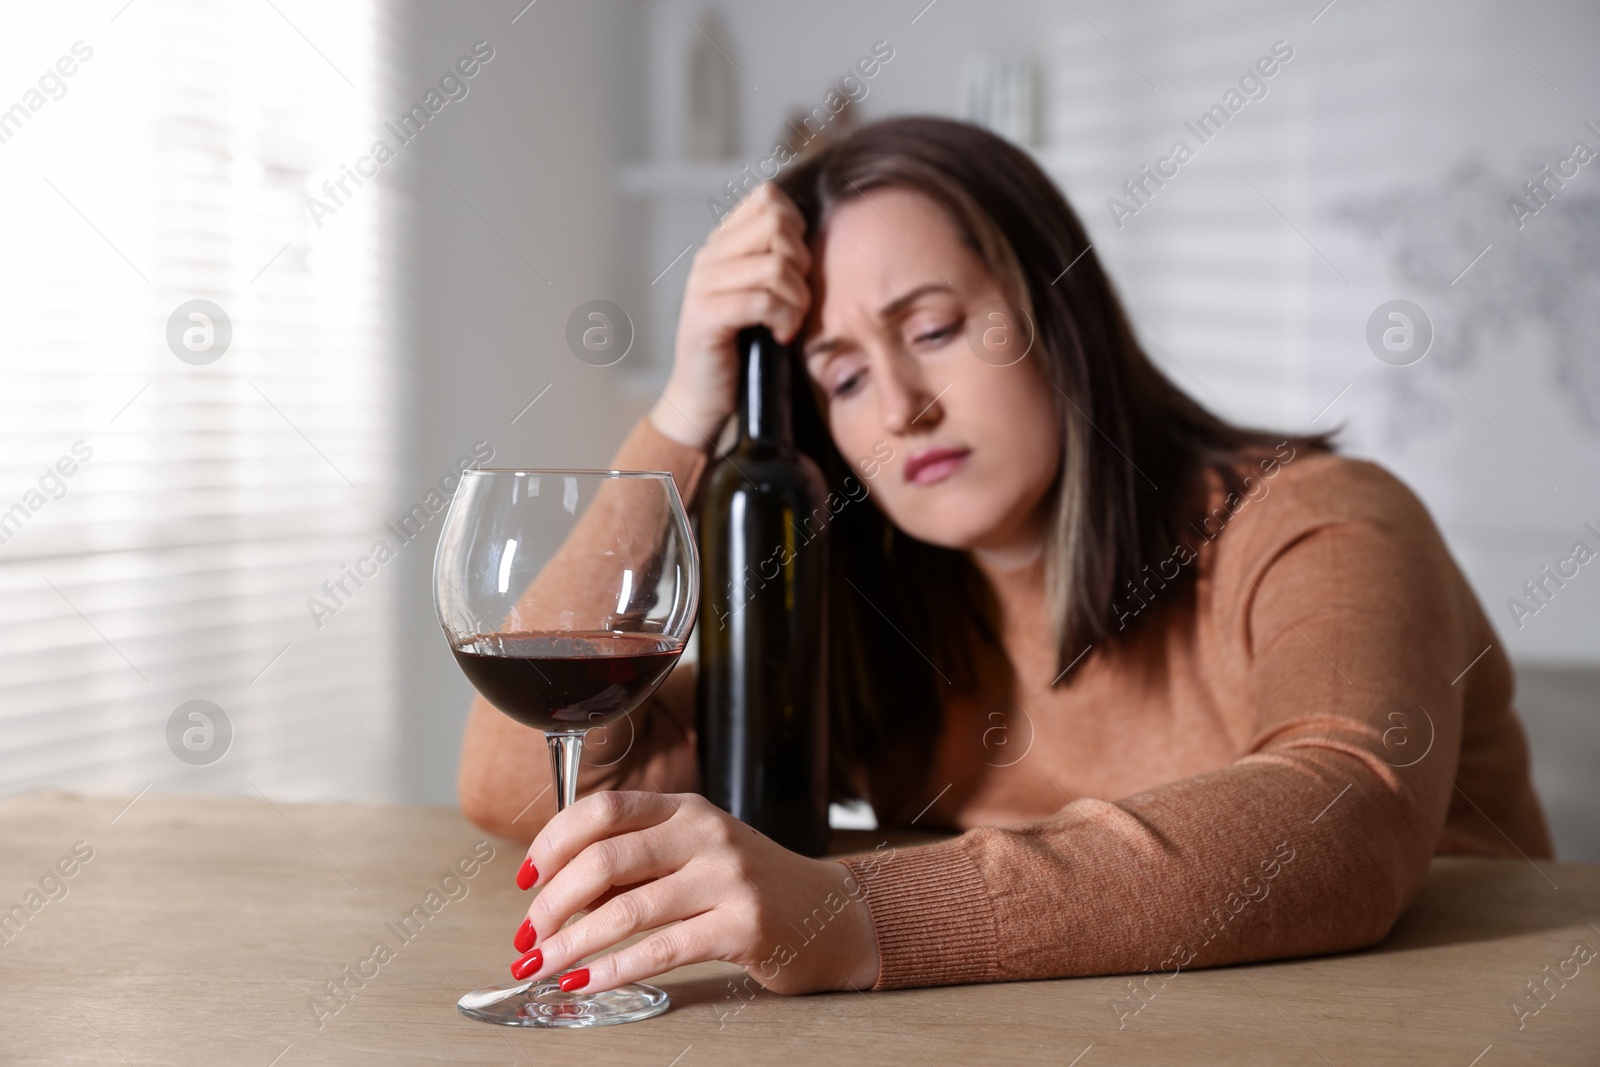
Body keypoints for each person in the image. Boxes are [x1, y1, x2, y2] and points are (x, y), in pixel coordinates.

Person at [457, 116, 1552, 998]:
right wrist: (688, 410)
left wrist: (855, 914)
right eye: (840, 377)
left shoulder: (1317, 522)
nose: (901, 405)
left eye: (932, 328)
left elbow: (1341, 818)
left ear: (1053, 308)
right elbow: (520, 773)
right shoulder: (884, 623)